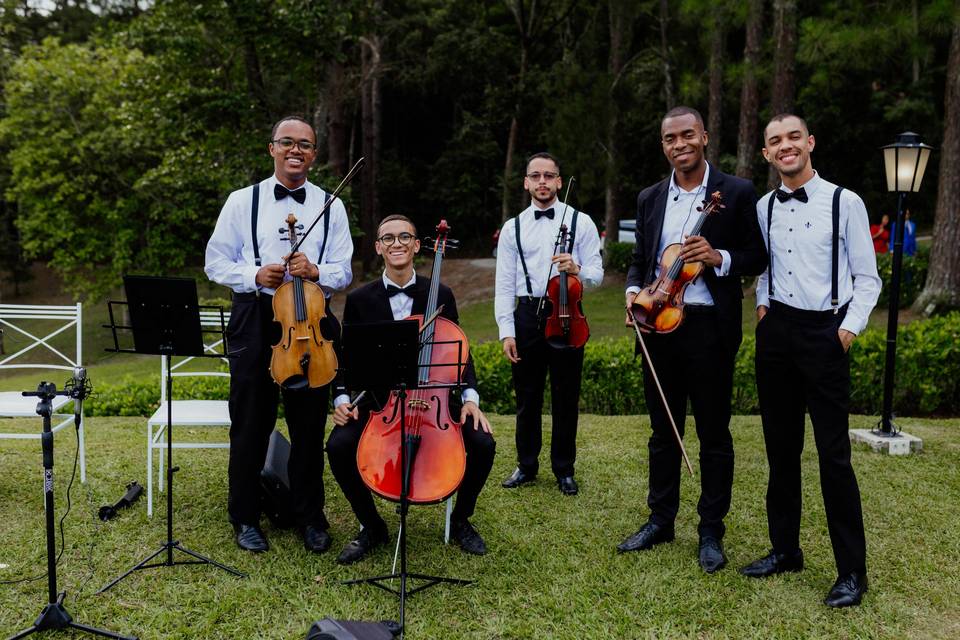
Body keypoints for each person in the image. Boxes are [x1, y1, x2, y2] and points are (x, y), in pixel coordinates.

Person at [620, 106, 767, 573]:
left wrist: (719, 256)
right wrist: (631, 293)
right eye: (670, 138)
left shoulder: (737, 191)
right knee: (663, 432)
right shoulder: (649, 197)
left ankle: (710, 532)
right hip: (658, 324)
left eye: (687, 135)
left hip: (709, 328)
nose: (679, 144)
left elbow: (757, 256)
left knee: (714, 435)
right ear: (663, 145)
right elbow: (641, 259)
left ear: (704, 136)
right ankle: (660, 520)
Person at [743, 113, 881, 608]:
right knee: (780, 453)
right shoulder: (762, 207)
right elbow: (763, 268)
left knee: (833, 458)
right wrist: (763, 309)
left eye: (793, 137)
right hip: (776, 332)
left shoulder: (846, 202)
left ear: (810, 143)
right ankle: (785, 551)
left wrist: (846, 331)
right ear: (766, 154)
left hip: (825, 333)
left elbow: (869, 279)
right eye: (775, 141)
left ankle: (851, 573)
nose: (786, 147)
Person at [205, 115, 353, 554]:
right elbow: (215, 263)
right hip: (255, 316)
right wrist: (254, 274)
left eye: (304, 145)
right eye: (287, 142)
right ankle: (245, 517)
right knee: (250, 423)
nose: (296, 150)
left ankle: (311, 517)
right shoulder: (241, 201)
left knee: (308, 426)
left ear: (313, 154)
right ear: (271, 148)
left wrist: (317, 270)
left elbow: (343, 270)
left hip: (310, 320)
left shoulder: (332, 205)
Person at [327, 215, 496, 563]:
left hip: (435, 402)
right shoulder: (360, 299)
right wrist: (343, 399)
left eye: (405, 236)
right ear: (378, 248)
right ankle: (371, 525)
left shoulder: (442, 295)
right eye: (388, 238)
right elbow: (344, 359)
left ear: (418, 245)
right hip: (380, 403)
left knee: (483, 442)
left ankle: (462, 519)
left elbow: (459, 353)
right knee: (338, 446)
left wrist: (470, 399)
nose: (397, 243)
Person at [494, 152, 604, 496]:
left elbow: (598, 276)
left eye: (549, 176)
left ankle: (564, 469)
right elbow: (504, 284)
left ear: (559, 181)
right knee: (527, 397)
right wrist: (506, 330)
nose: (542, 182)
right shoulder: (513, 227)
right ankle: (526, 465)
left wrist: (577, 270)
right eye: (535, 176)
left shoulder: (581, 222)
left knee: (565, 396)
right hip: (526, 315)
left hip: (567, 312)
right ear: (526, 182)